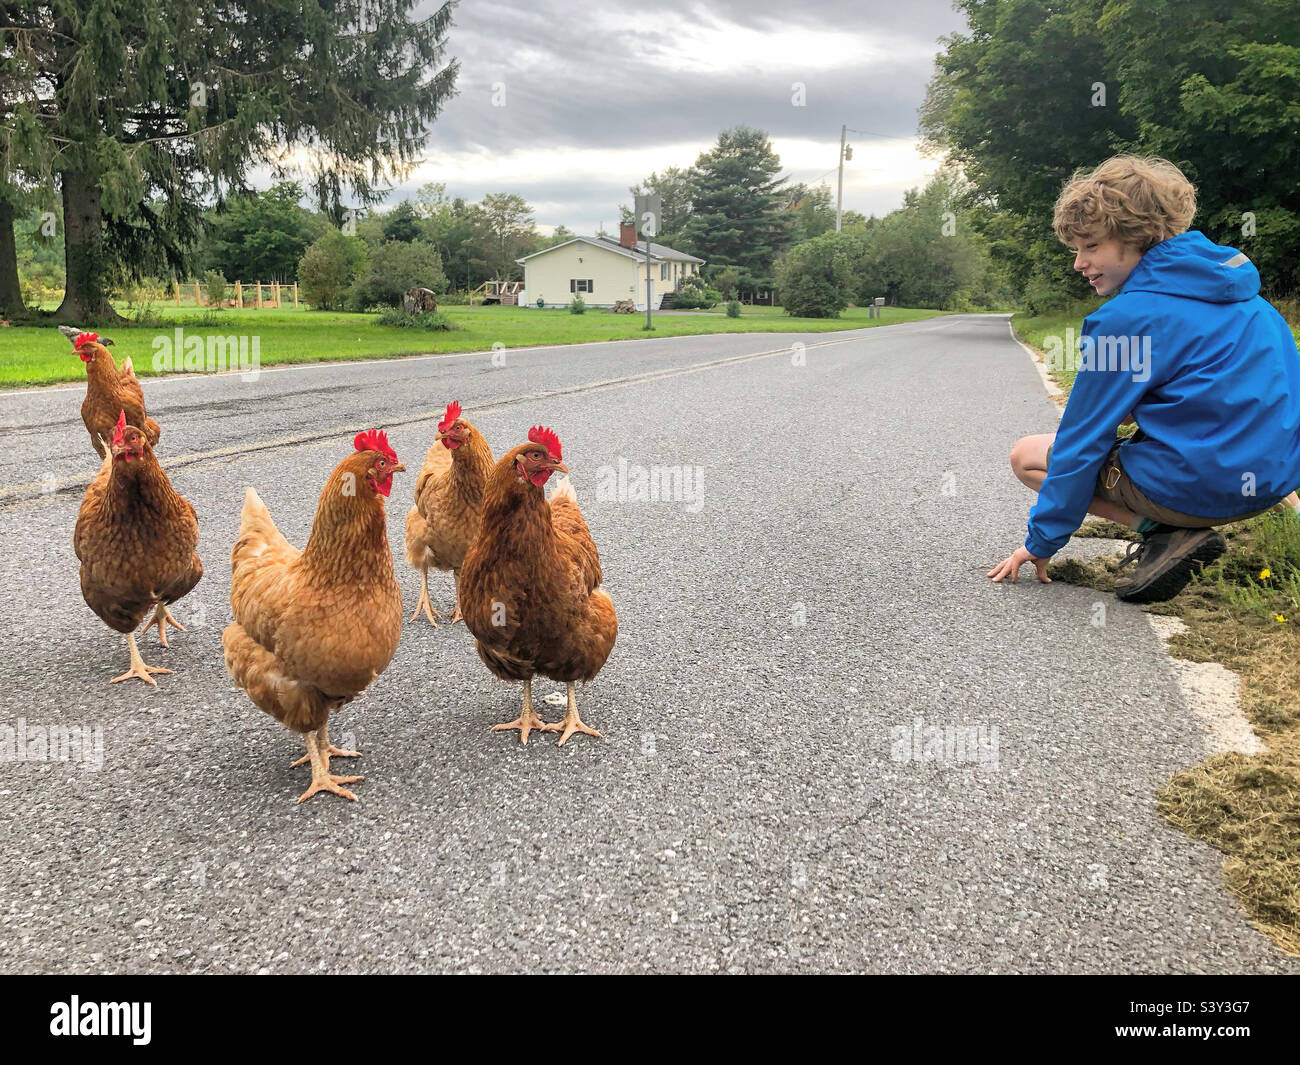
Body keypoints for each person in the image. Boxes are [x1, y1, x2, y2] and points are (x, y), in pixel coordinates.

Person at [989, 156, 1300, 603]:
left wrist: (1041, 542)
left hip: (1198, 490)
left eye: (1091, 245)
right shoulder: (1251, 299)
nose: (1079, 263)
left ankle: (1164, 535)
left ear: (1135, 236)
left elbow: (1083, 440)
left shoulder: (1126, 319)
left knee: (1028, 456)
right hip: (1271, 480)